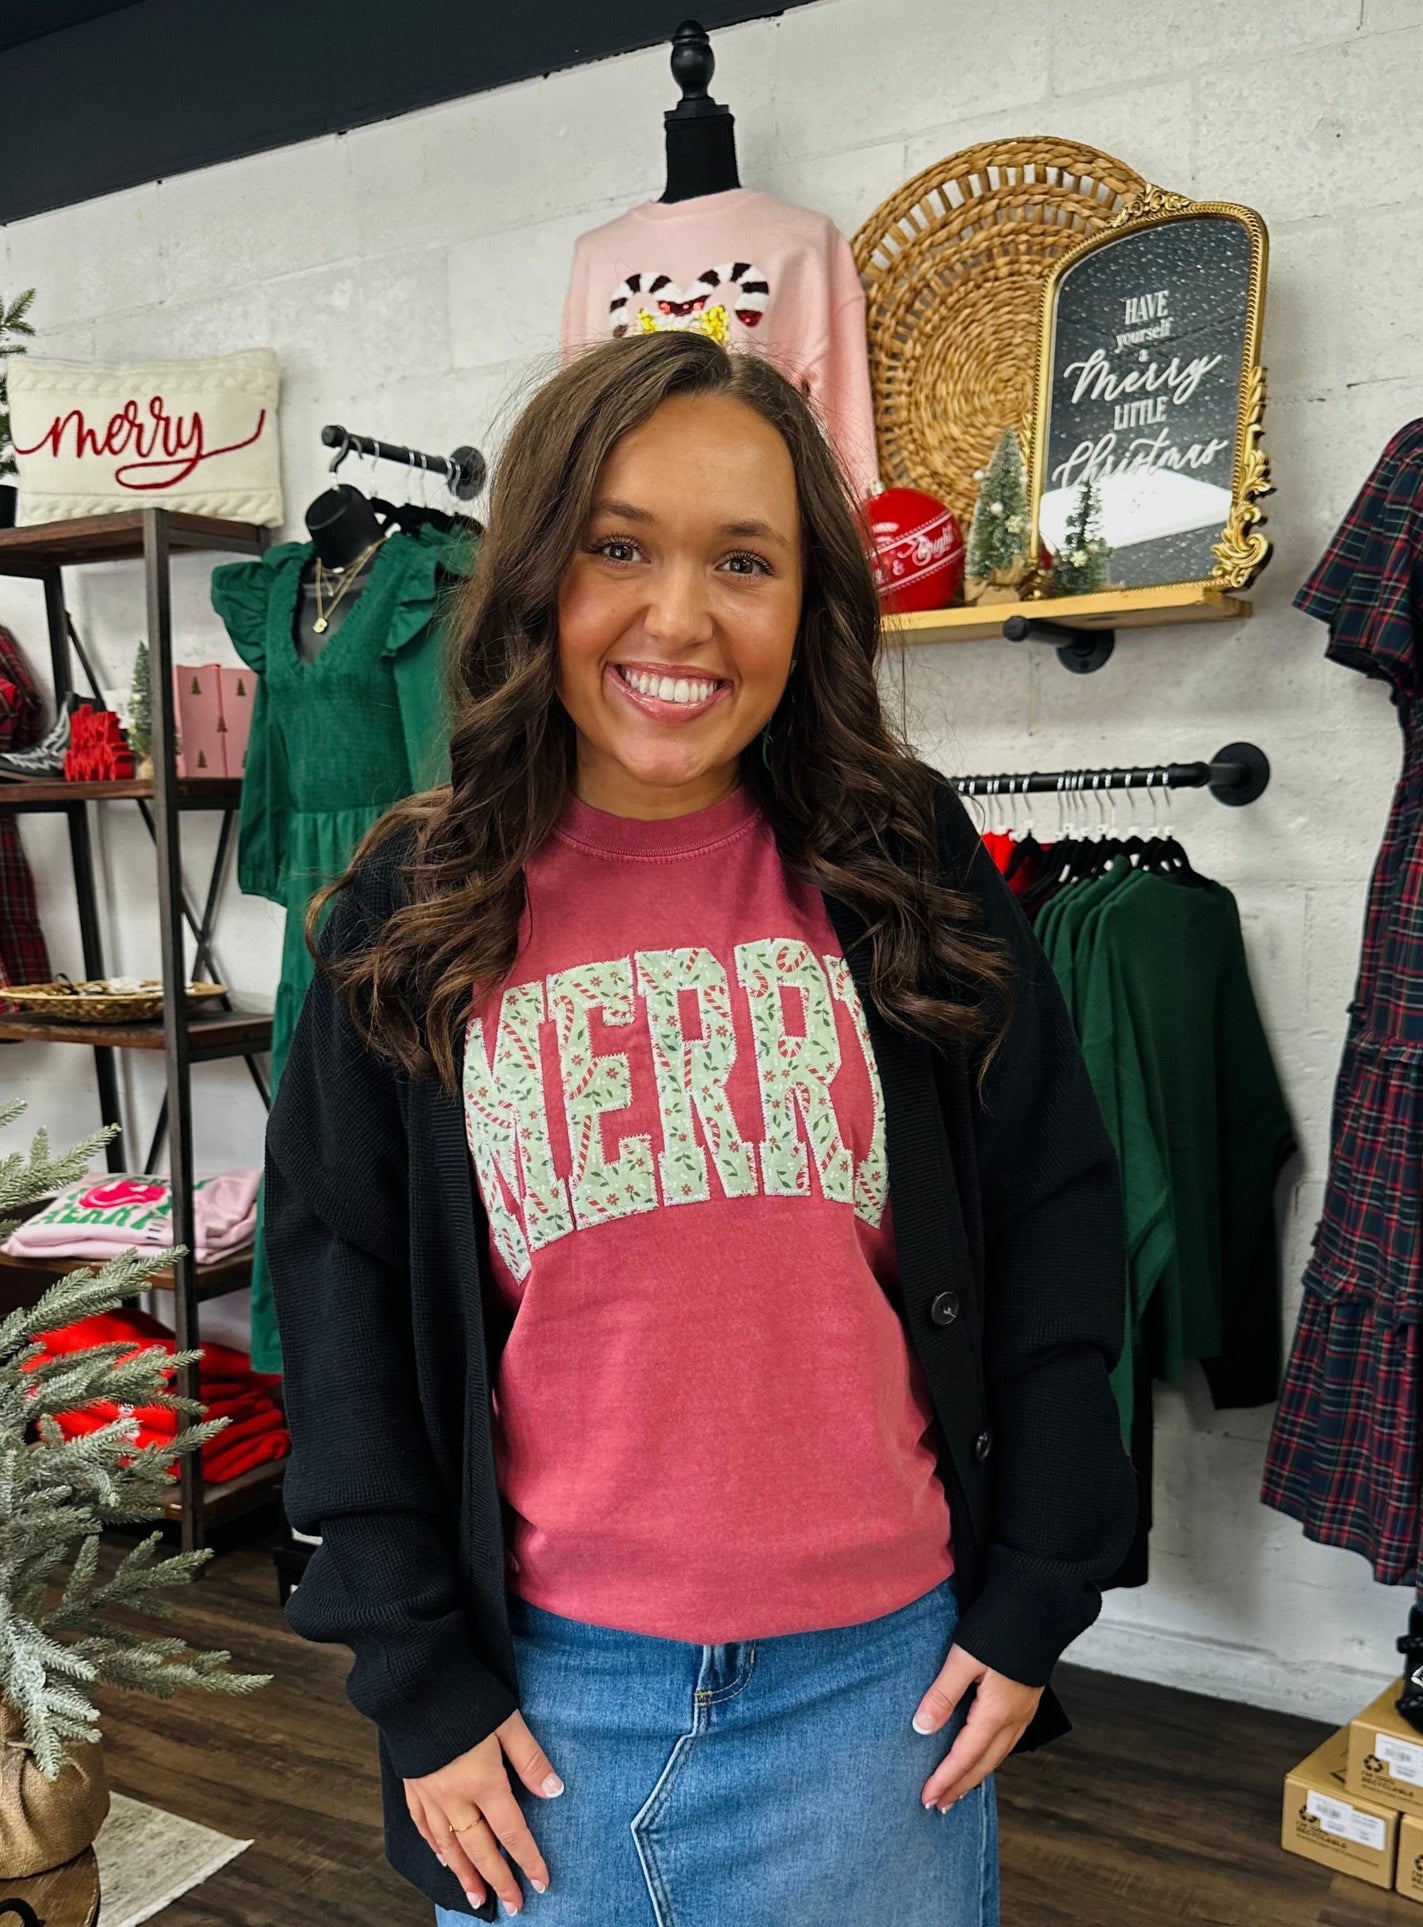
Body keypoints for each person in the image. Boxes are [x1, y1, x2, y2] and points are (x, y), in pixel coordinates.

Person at [265, 330, 1137, 1926]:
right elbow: (336, 1300)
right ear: (537, 575)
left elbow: (1056, 1213)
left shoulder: (905, 861)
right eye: (619, 547)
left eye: (745, 560)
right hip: (541, 1722)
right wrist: (418, 1686)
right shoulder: (411, 906)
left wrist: (1035, 1598)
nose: (679, 618)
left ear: (808, 608)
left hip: (888, 1699)